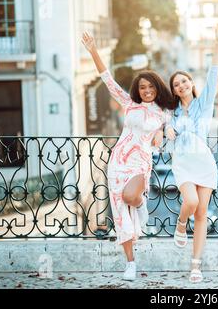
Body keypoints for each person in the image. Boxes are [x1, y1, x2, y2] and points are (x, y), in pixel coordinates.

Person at [82, 31, 176, 281]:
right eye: (142, 87)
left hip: (140, 162)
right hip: (118, 161)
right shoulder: (129, 103)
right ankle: (130, 264)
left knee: (130, 196)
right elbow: (108, 79)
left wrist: (163, 130)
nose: (146, 90)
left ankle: (142, 204)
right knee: (120, 213)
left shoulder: (164, 112)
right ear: (138, 89)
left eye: (150, 86)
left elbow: (174, 126)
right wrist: (93, 51)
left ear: (157, 88)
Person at [165, 24, 218, 283]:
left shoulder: (205, 104)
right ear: (174, 90)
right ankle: (181, 224)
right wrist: (168, 126)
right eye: (176, 84)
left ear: (191, 83)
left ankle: (195, 265)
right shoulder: (172, 112)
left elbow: (214, 72)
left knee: (202, 214)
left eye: (184, 81)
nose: (181, 85)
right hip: (183, 163)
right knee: (190, 203)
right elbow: (163, 126)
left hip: (204, 163)